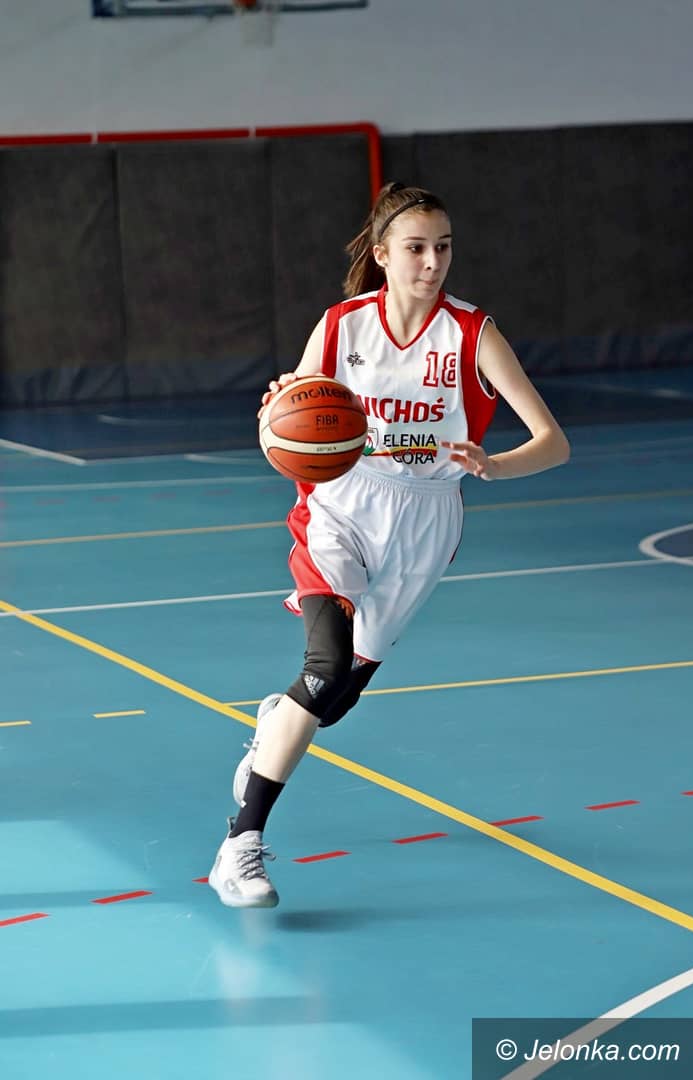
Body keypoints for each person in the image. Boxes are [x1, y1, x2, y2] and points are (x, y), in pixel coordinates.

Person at [208, 181, 570, 908]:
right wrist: (281, 406)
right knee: (324, 667)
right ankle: (238, 847)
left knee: (332, 700)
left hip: (427, 522)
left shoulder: (472, 333)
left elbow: (552, 443)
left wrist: (492, 465)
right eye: (416, 248)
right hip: (341, 507)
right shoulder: (342, 325)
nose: (432, 262)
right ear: (381, 254)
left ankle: (275, 726)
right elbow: (294, 414)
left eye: (443, 247)